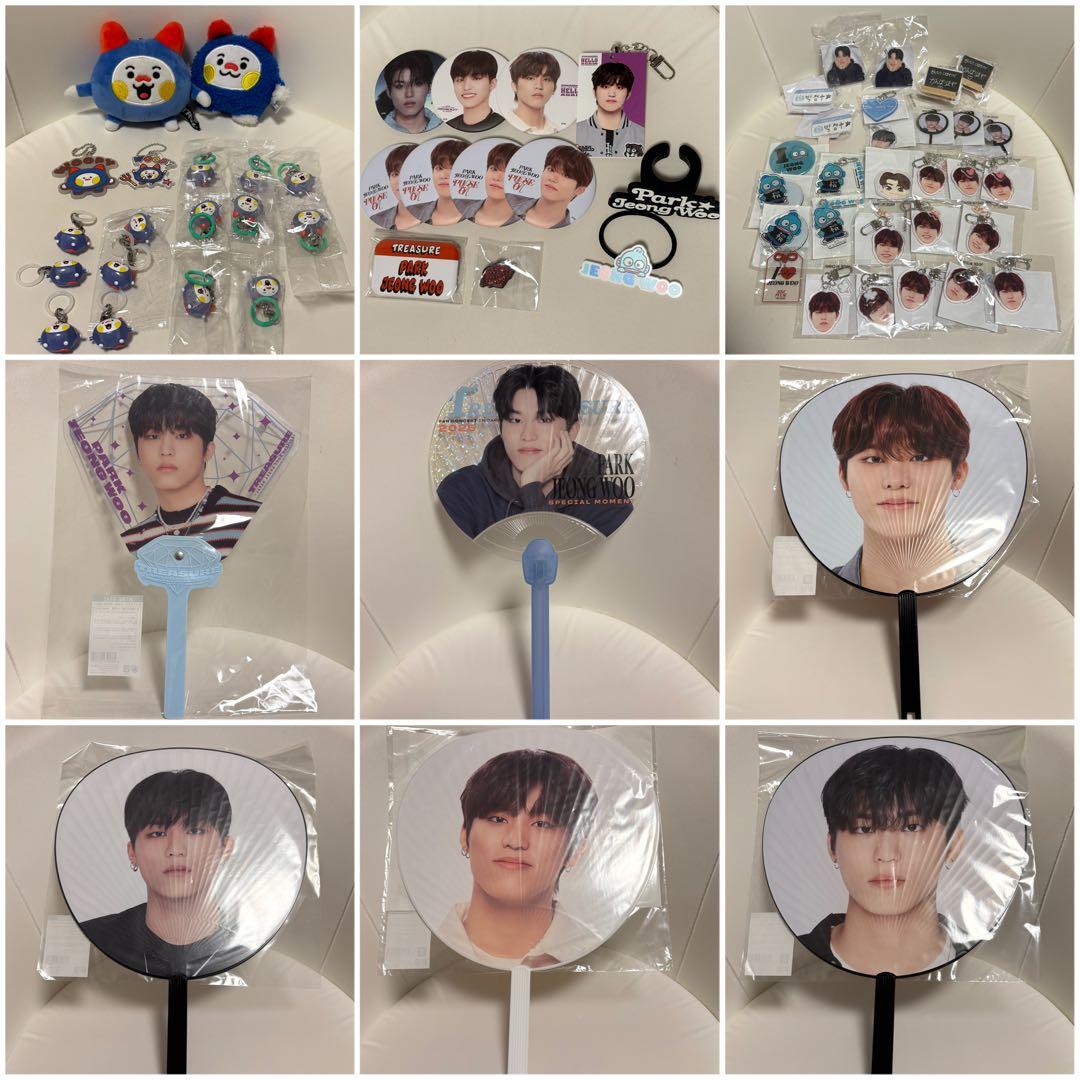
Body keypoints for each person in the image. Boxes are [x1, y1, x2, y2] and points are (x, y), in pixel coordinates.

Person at [797, 744, 972, 976]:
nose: (887, 855)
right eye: (864, 828)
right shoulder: (793, 963)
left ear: (953, 845)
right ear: (832, 846)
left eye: (912, 827)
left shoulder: (985, 962)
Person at [437, 748, 601, 969]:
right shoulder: (424, 955)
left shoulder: (608, 965)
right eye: (498, 819)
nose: (516, 841)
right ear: (465, 835)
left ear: (575, 850)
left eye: (542, 824)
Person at [78, 769, 248, 979]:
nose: (175, 849)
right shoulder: (91, 939)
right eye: (157, 834)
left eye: (195, 831)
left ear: (226, 848)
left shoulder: (250, 939)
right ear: (132, 853)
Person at [436, 364, 634, 540]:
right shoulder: (461, 490)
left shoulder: (609, 502)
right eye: (515, 420)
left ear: (572, 430)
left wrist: (531, 488)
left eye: (544, 419)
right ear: (501, 428)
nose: (527, 435)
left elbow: (554, 563)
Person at [831, 382, 973, 592]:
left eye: (920, 457)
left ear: (958, 474)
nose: (896, 481)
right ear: (844, 476)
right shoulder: (811, 599)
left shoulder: (1006, 594)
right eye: (874, 459)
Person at [120, 383, 261, 558]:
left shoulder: (243, 516)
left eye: (182, 435)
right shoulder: (135, 541)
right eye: (153, 436)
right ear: (138, 453)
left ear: (208, 450)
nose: (166, 450)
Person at [575, 61, 646, 158]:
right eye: (605, 86)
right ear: (594, 92)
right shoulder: (576, 132)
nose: (612, 94)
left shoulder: (642, 134)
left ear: (628, 94)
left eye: (619, 87)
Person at [515, 144, 594, 229]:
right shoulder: (509, 200)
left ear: (579, 190)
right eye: (551, 170)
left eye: (566, 175)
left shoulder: (569, 233)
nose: (553, 179)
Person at [456, 142, 520, 227]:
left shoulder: (525, 220)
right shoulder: (461, 210)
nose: (497, 178)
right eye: (494, 169)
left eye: (508, 172)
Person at [377, 51, 441, 134]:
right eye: (399, 86)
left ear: (429, 88)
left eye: (418, 83)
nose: (409, 94)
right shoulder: (374, 131)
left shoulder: (446, 127)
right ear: (389, 92)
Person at [446, 49, 504, 133]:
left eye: (476, 78)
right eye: (460, 80)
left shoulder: (502, 123)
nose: (466, 87)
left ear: (492, 84)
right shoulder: (450, 124)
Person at [370, 143, 422, 230]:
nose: (401, 181)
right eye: (396, 174)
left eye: (409, 173)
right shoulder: (376, 219)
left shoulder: (437, 216)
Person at [509, 50, 561, 134]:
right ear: (514, 85)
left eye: (546, 79)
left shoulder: (558, 130)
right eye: (530, 78)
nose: (539, 86)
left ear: (554, 88)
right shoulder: (506, 125)